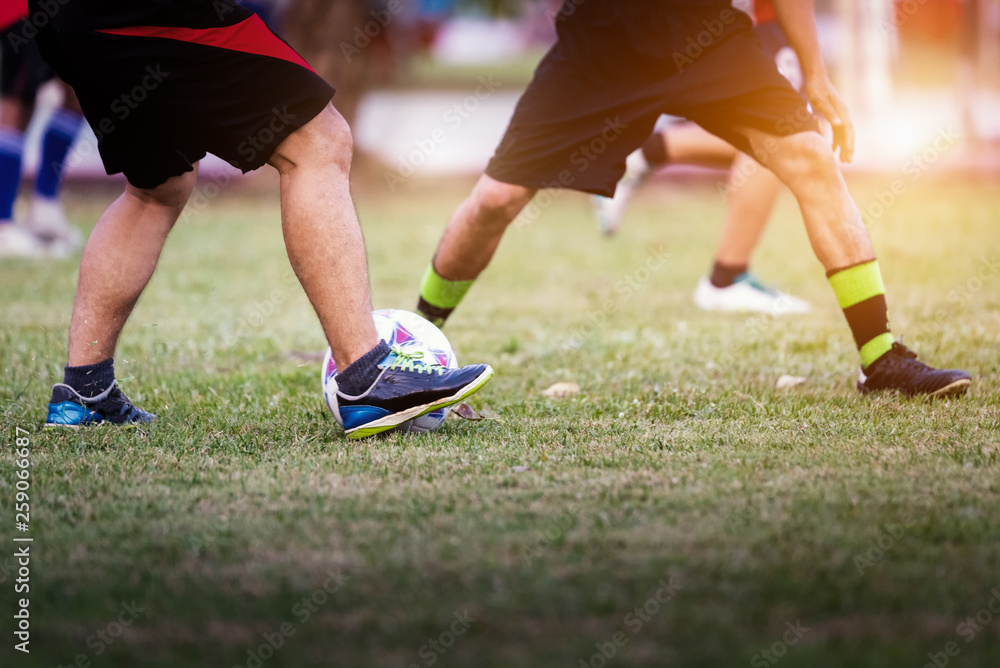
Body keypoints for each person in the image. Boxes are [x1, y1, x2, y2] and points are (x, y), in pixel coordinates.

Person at [416, 0, 971, 397]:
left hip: (708, 37)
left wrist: (816, 75)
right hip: (600, 43)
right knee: (496, 199)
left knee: (811, 157)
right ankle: (415, 341)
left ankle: (880, 358)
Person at [27, 0, 493, 438]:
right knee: (318, 141)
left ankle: (85, 393)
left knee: (157, 186)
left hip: (65, 17)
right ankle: (364, 375)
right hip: (149, 7)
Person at [592, 0, 810, 315]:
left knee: (791, 140)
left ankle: (645, 152)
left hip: (747, 20)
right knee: (782, 136)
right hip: (750, 18)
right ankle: (727, 278)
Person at [0, 10, 84, 258]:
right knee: (18, 104)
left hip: (69, 10)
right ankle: (2, 223)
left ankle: (44, 207)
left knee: (78, 91)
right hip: (21, 10)